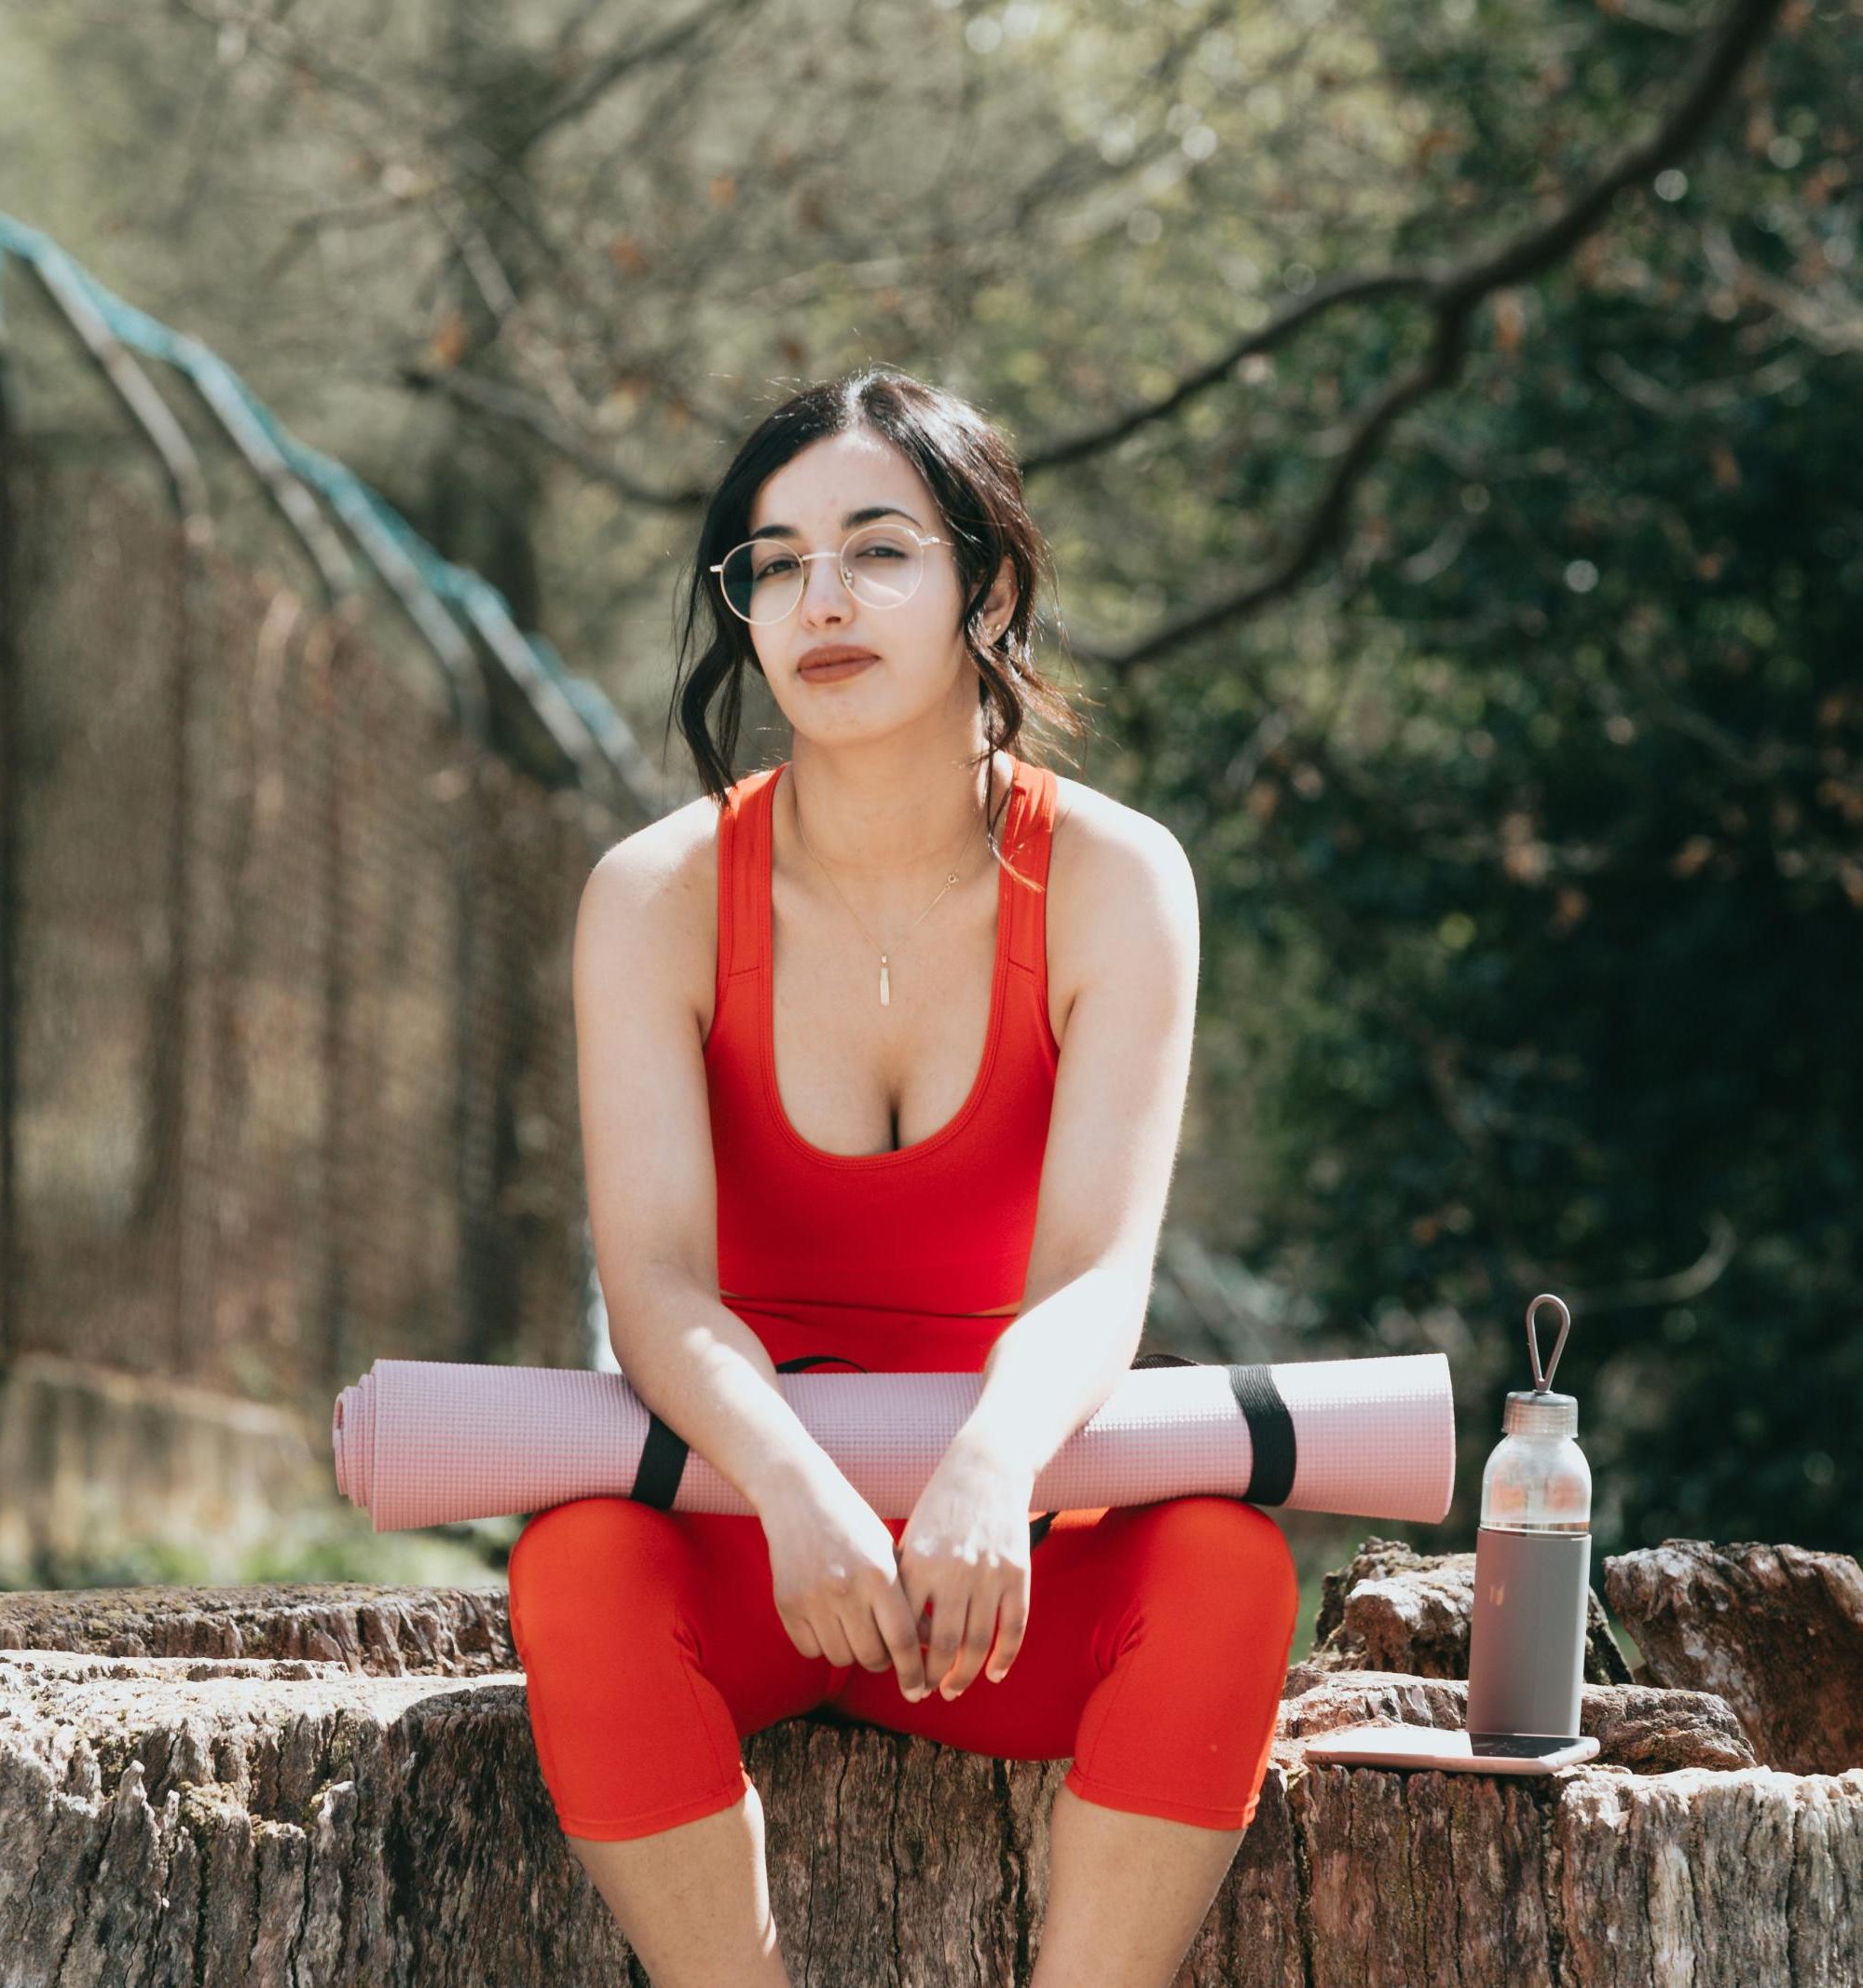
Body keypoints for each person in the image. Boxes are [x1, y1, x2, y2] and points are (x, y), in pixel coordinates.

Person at [506, 368, 1298, 1987]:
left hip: (996, 1552)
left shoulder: (1114, 877)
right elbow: (653, 1279)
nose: (822, 600)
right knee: (576, 1565)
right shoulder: (653, 892)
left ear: (983, 584)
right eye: (775, 561)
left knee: (1224, 1563)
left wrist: (992, 1472)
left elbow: (1094, 1272)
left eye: (876, 549)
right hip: (754, 1532)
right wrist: (795, 1490)